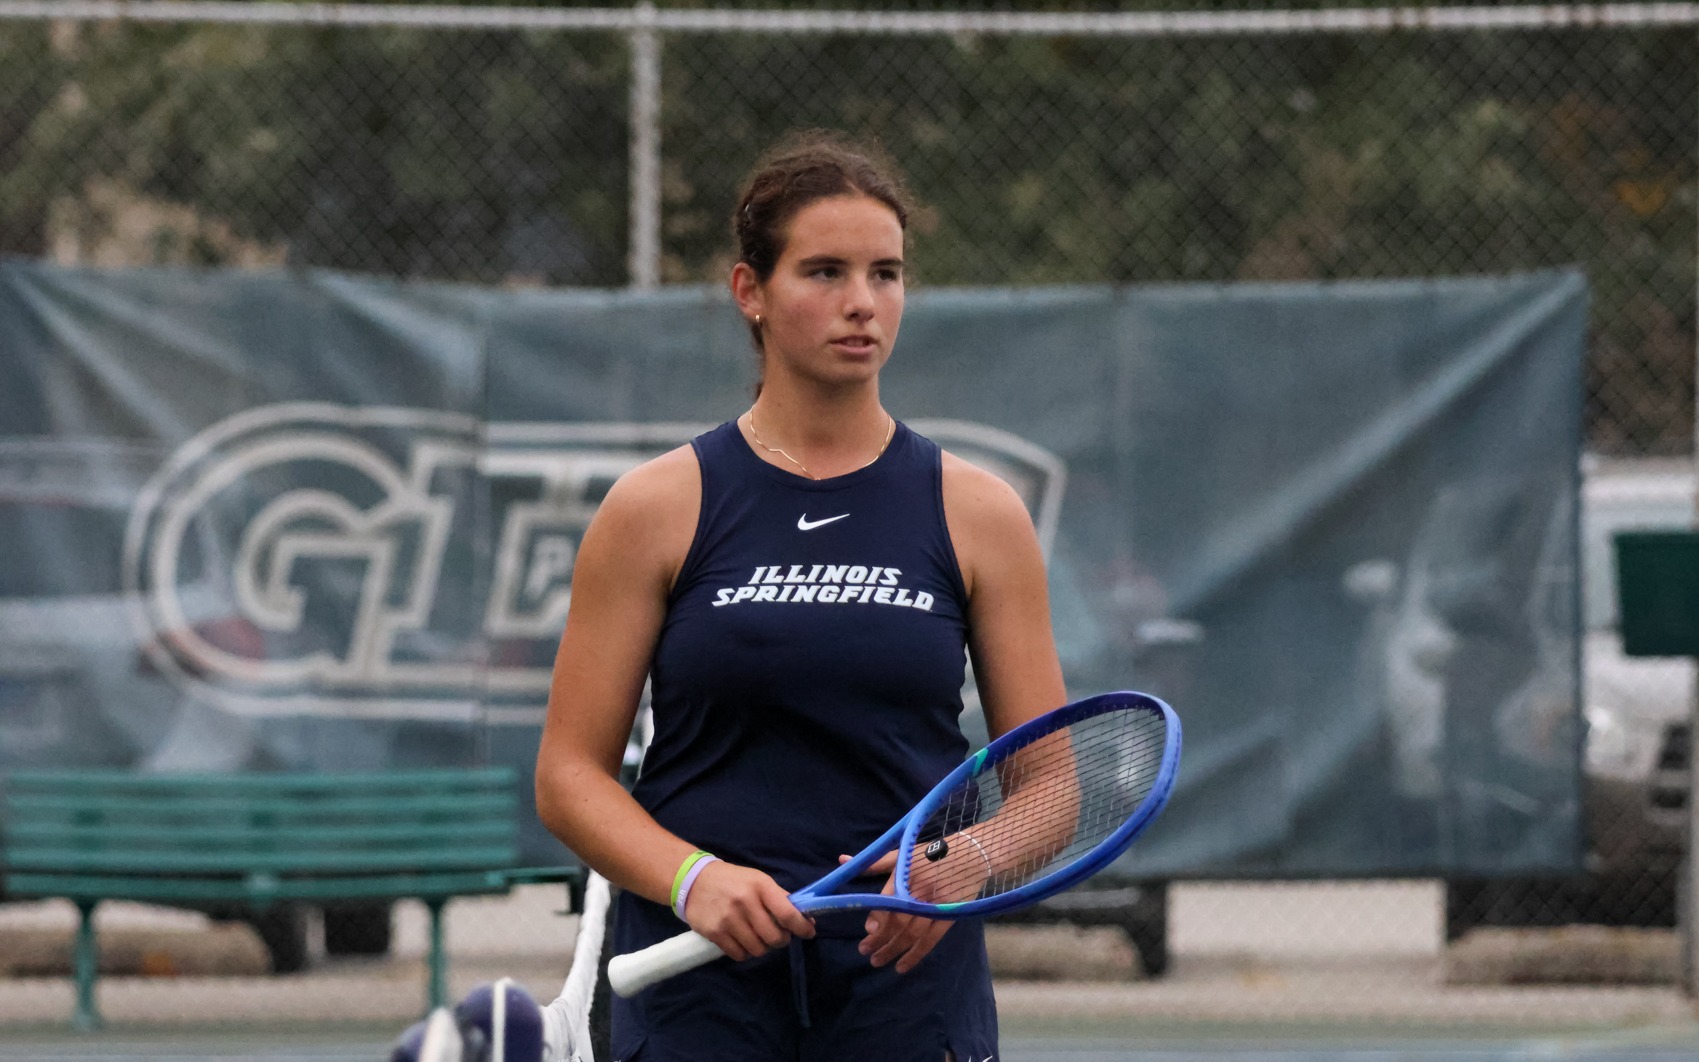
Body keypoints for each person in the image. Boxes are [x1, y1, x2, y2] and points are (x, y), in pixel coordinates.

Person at [534, 129, 1068, 1062]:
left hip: (905, 985)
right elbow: (568, 776)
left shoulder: (978, 514)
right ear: (751, 291)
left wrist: (966, 866)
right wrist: (692, 878)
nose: (861, 303)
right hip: (695, 981)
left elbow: (1050, 785)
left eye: (885, 273)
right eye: (823, 272)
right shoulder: (656, 508)